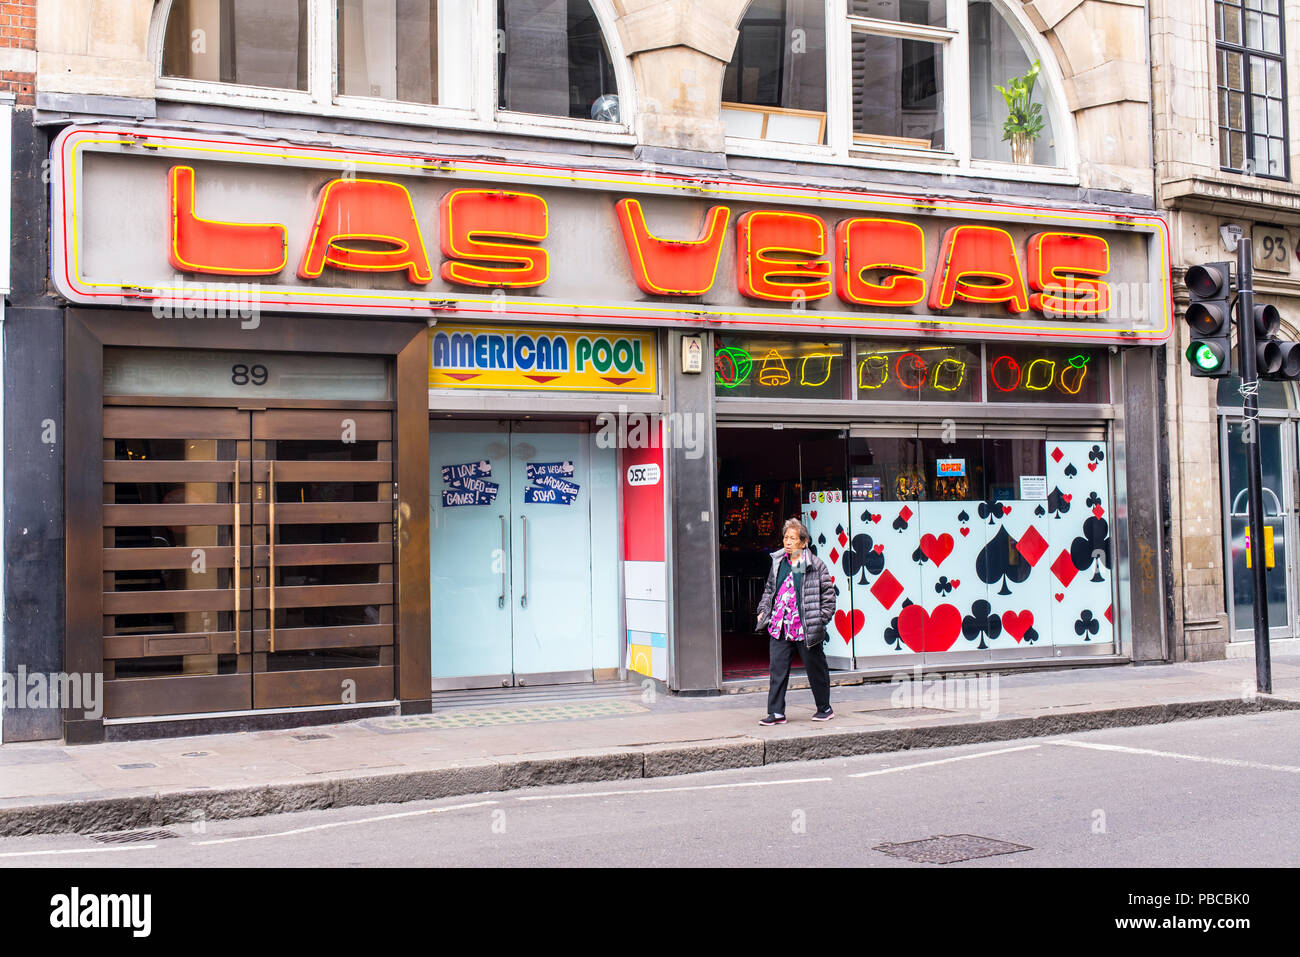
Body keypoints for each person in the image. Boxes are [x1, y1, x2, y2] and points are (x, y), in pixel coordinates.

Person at [754, 517, 836, 725]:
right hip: (780, 625)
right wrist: (763, 610)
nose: (788, 542)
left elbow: (828, 596)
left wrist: (819, 619)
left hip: (805, 627)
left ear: (803, 542)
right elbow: (770, 590)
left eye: (792, 538)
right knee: (777, 670)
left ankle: (824, 708)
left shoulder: (813, 565)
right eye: (785, 538)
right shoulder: (780, 562)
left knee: (815, 668)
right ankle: (776, 712)